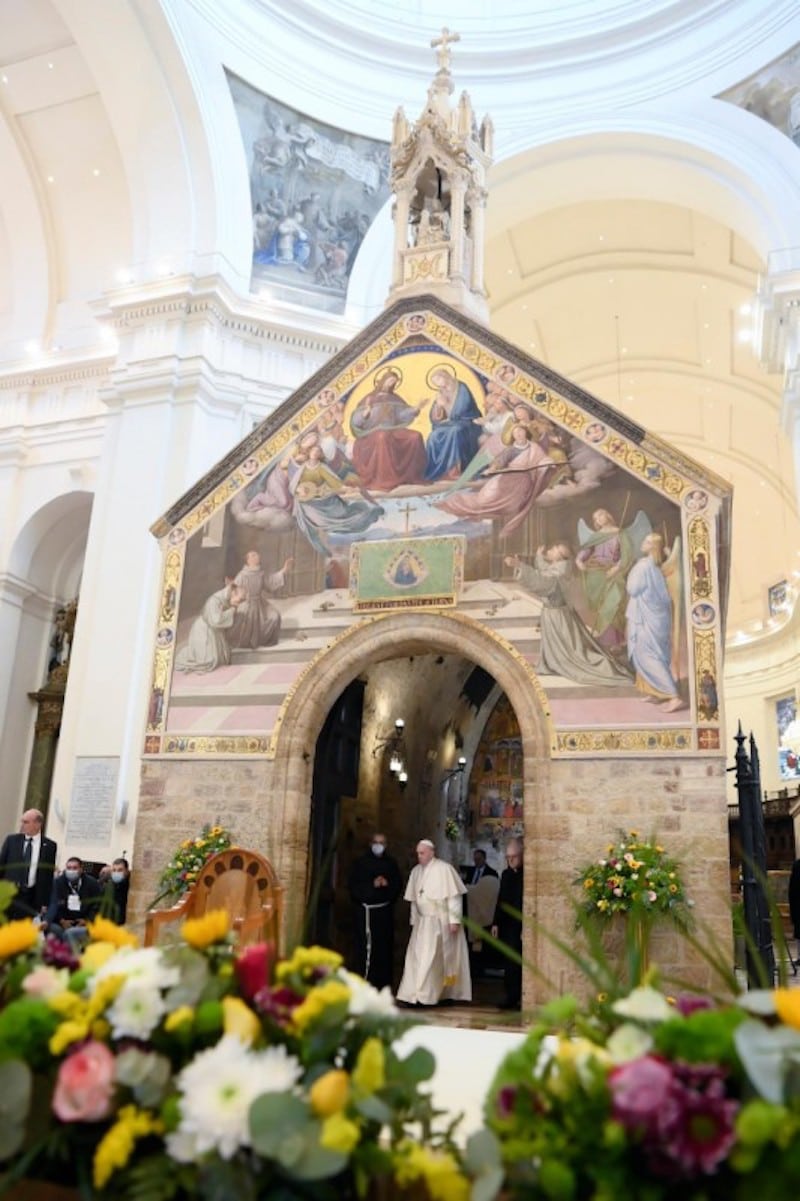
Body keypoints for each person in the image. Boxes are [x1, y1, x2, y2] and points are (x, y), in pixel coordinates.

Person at [505, 546, 634, 684]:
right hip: (555, 614)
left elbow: (541, 581)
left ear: (560, 557)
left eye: (555, 549)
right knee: (562, 648)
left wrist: (519, 565)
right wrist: (538, 556)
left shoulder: (558, 572)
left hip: (557, 616)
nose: (550, 549)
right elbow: (543, 571)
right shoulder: (559, 567)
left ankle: (562, 664)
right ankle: (553, 663)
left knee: (571, 653)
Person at [396, 839, 471, 1006]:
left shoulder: (445, 869)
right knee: (415, 959)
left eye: (422, 853)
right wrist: (414, 920)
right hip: (422, 924)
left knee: (432, 960)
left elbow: (454, 897)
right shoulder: (416, 871)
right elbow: (414, 900)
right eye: (417, 853)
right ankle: (412, 995)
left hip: (440, 922)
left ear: (431, 852)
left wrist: (454, 920)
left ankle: (427, 996)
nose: (419, 856)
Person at [625, 533, 685, 711]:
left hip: (646, 618)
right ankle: (654, 691)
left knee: (646, 654)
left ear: (653, 547)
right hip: (655, 617)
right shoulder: (656, 567)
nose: (643, 543)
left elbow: (633, 589)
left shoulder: (643, 566)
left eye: (648, 541)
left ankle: (673, 696)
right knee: (651, 653)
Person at [350, 368, 427, 490]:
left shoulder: (395, 398)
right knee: (382, 436)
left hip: (393, 429)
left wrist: (415, 409)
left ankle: (413, 476)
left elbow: (400, 415)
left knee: (415, 436)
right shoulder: (369, 398)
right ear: (383, 381)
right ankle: (385, 479)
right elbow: (356, 421)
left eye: (394, 382)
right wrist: (365, 413)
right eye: (390, 381)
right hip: (372, 433)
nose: (392, 384)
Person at [348, 832, 403, 989]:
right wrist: (372, 885)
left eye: (382, 843)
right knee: (365, 948)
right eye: (375, 842)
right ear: (370, 843)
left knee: (383, 949)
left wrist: (387, 883)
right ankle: (363, 982)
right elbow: (354, 886)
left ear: (386, 846)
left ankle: (382, 984)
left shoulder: (391, 864)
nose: (378, 845)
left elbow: (397, 885)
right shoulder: (360, 863)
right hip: (365, 913)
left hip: (384, 913)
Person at [423, 366, 483, 482]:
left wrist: (446, 405)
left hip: (467, 421)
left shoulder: (461, 387)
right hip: (451, 423)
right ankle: (438, 472)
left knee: (455, 431)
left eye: (438, 381)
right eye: (436, 383)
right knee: (433, 436)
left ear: (445, 376)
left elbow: (463, 407)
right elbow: (435, 418)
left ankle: (455, 470)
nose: (438, 385)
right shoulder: (441, 392)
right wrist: (439, 406)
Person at [174, 581, 246, 673]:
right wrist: (232, 611)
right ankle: (186, 655)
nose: (238, 604)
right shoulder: (215, 600)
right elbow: (216, 621)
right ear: (233, 593)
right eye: (239, 600)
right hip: (204, 630)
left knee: (221, 658)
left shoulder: (225, 598)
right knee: (207, 662)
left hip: (213, 630)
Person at [0, 808, 58, 920]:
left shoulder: (50, 846)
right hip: (10, 894)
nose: (22, 825)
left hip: (32, 896)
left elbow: (48, 875)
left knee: (23, 931)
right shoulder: (12, 841)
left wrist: (44, 902)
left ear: (38, 824)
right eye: (22, 821)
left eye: (26, 822)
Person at [230, 549, 293, 649]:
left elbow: (271, 582)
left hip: (260, 603)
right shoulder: (242, 575)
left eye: (257, 555)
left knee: (274, 616)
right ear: (248, 560)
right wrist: (236, 599)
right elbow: (233, 589)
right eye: (253, 555)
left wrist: (284, 570)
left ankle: (265, 640)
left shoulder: (261, 573)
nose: (257, 556)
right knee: (243, 621)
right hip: (246, 604)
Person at [491, 839, 524, 1010]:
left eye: (514, 857)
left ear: (522, 855)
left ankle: (521, 997)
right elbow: (501, 899)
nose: (511, 860)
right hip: (508, 925)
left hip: (522, 924)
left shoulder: (527, 875)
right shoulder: (506, 874)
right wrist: (496, 922)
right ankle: (510, 996)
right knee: (509, 962)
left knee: (520, 963)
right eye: (508, 857)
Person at [45, 856, 103, 947]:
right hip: (63, 921)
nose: (71, 871)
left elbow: (97, 905)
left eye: (75, 868)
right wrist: (62, 920)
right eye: (69, 868)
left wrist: (87, 920)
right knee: (56, 930)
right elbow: (53, 903)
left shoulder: (92, 883)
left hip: (84, 921)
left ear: (81, 869)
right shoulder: (58, 882)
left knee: (72, 934)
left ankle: (68, 954)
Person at [99, 857, 130, 924]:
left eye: (120, 870)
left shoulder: (130, 888)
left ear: (127, 871)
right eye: (114, 870)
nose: (116, 873)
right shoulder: (107, 887)